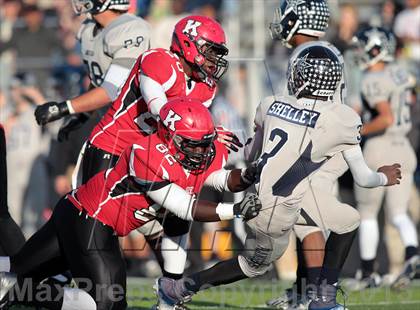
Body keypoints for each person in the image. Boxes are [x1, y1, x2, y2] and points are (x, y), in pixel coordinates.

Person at [155, 44, 402, 310]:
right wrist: (384, 177)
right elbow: (364, 178)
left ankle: (322, 298)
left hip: (272, 195)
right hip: (277, 210)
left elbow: (252, 155)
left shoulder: (272, 104)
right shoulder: (342, 118)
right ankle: (179, 288)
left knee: (346, 220)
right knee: (253, 265)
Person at [0, 98, 261, 310]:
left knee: (18, 269)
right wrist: (235, 210)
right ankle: (26, 294)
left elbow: (221, 179)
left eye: (204, 144)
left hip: (77, 211)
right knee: (107, 304)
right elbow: (184, 207)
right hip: (91, 222)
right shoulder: (147, 154)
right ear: (169, 137)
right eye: (193, 145)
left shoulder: (197, 151)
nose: (202, 152)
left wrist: (247, 176)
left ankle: (18, 291)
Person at [266, 1, 360, 308]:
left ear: (298, 19)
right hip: (325, 141)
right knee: (305, 219)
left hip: (313, 145)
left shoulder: (307, 55)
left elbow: (294, 106)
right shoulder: (330, 51)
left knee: (309, 223)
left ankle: (315, 295)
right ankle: (304, 290)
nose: (281, 21)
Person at [351, 26, 419, 291]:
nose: (360, 51)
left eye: (364, 46)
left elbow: (385, 118)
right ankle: (412, 254)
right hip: (404, 146)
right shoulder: (402, 72)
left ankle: (368, 272)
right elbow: (409, 100)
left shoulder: (372, 78)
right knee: (399, 214)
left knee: (368, 213)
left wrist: (357, 131)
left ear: (376, 48)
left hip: (380, 147)